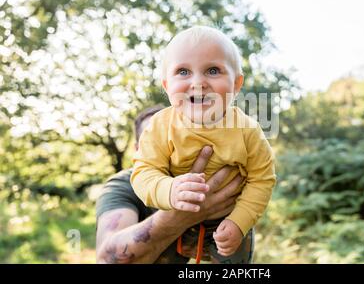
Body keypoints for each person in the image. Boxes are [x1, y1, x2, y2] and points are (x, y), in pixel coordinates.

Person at [131, 26, 276, 264]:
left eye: (212, 70)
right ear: (167, 86)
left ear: (236, 84)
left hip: (228, 219)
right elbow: (143, 172)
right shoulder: (160, 126)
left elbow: (262, 179)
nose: (198, 82)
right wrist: (169, 190)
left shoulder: (248, 130)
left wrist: (239, 222)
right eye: (183, 71)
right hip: (172, 219)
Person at [95, 106, 248, 263]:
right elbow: (107, 260)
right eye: (152, 142)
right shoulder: (122, 186)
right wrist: (180, 217)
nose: (165, 147)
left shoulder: (209, 184)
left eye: (176, 137)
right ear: (137, 150)